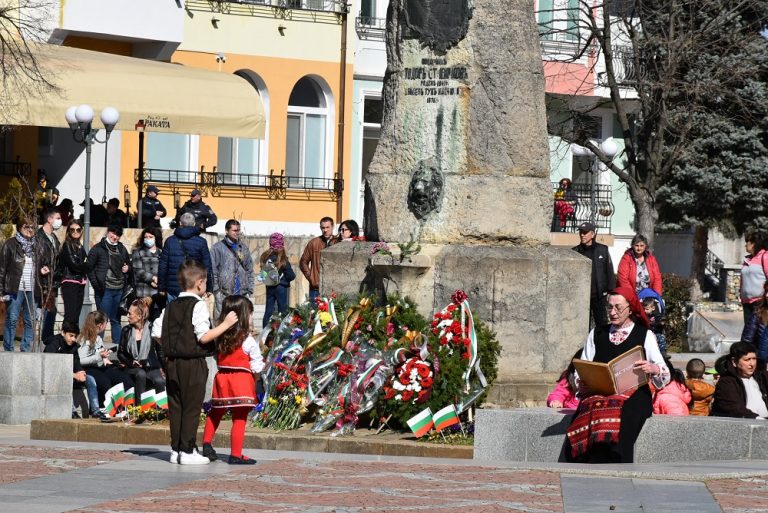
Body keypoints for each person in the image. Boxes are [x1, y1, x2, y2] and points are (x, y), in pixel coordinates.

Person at [564, 287, 670, 463]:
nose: (612, 313)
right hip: (599, 390)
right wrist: (580, 382)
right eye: (609, 308)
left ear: (631, 308)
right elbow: (583, 366)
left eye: (618, 308)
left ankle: (616, 458)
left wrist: (653, 369)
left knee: (624, 410)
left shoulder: (645, 335)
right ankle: (587, 457)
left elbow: (663, 370)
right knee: (592, 405)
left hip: (635, 392)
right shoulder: (597, 334)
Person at [151, 260, 239, 465]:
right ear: (200, 283)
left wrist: (174, 345)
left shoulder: (170, 305)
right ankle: (188, 450)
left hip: (172, 362)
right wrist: (225, 324)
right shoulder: (198, 305)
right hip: (192, 362)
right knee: (191, 406)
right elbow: (203, 336)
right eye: (205, 282)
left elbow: (156, 331)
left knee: (176, 406)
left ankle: (176, 449)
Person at [201, 295, 265, 464]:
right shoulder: (248, 340)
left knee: (215, 412)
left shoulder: (221, 338)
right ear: (244, 315)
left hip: (222, 379)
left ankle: (206, 443)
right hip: (241, 381)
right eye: (250, 313)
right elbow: (257, 366)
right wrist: (256, 379)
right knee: (240, 417)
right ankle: (236, 454)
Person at [78, 311, 131, 419]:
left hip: (99, 366)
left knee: (122, 377)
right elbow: (81, 360)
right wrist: (99, 356)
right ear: (100, 325)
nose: (106, 325)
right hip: (88, 369)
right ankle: (106, 408)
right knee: (104, 381)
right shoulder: (85, 339)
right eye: (106, 323)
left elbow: (100, 355)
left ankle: (127, 406)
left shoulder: (98, 338)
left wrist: (106, 358)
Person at [87, 224, 131, 343]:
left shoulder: (122, 248)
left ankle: (117, 347)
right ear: (108, 232)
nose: (115, 236)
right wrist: (97, 285)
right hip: (104, 290)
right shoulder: (97, 248)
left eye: (118, 235)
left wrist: (128, 268)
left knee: (116, 319)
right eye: (113, 233)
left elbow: (128, 264)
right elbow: (89, 269)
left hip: (119, 289)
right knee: (101, 320)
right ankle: (97, 346)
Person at [0, 218, 38, 351]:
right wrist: (1, 292)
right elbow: (2, 269)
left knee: (30, 321)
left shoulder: (37, 245)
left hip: (32, 289)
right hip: (14, 289)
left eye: (32, 227)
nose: (29, 229)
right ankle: (9, 349)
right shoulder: (10, 244)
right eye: (26, 226)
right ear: (19, 228)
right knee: (12, 319)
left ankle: (26, 349)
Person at [158, 212, 213, 302]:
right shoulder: (201, 242)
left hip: (173, 289)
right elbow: (207, 267)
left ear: (180, 223)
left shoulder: (169, 241)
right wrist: (209, 288)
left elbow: (163, 266)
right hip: (194, 287)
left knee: (173, 315)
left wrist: (161, 287)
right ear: (194, 224)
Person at [117, 299, 165, 402]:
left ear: (139, 316)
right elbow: (120, 353)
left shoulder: (152, 328)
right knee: (141, 374)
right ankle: (140, 408)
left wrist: (165, 368)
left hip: (150, 366)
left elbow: (160, 352)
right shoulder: (126, 331)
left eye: (130, 314)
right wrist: (131, 362)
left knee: (159, 381)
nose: (127, 316)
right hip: (132, 367)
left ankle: (162, 410)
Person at [572, 221, 615, 328]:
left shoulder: (603, 250)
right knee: (581, 326)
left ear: (593, 234)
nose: (582, 235)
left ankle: (601, 345)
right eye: (581, 232)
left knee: (602, 325)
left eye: (585, 232)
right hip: (581, 296)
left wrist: (611, 292)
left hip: (599, 296)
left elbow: (609, 271)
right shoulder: (574, 252)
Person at [43, 321, 89, 419]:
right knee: (65, 381)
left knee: (91, 380)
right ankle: (72, 411)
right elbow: (52, 368)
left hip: (68, 374)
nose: (73, 339)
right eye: (71, 336)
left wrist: (80, 372)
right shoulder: (53, 345)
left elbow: (77, 362)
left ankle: (94, 410)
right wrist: (74, 375)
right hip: (51, 376)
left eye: (75, 336)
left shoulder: (73, 346)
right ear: (63, 333)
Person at [711, 341, 768, 418]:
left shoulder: (761, 376)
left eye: (754, 359)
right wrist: (757, 418)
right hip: (744, 424)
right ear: (734, 361)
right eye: (747, 360)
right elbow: (735, 407)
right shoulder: (726, 382)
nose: (752, 364)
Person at [211, 219, 254, 318]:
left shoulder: (243, 248)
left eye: (238, 230)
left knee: (241, 322)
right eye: (234, 230)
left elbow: (249, 269)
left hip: (241, 294)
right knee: (223, 321)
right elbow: (213, 270)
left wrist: (249, 290)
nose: (237, 233)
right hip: (224, 294)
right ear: (226, 231)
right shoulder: (217, 248)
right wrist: (216, 290)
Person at [36, 206, 62, 341]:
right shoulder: (38, 237)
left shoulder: (54, 238)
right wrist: (41, 270)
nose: (60, 221)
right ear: (49, 219)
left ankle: (47, 340)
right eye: (58, 218)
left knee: (51, 312)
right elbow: (36, 259)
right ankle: (44, 340)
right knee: (45, 312)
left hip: (53, 283)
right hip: (42, 283)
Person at [260, 232, 296, 327]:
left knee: (268, 310)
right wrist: (285, 279)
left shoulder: (265, 257)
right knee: (282, 310)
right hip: (281, 288)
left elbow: (264, 272)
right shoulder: (283, 260)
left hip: (270, 286)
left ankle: (265, 332)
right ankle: (282, 331)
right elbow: (291, 275)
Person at [58, 220, 89, 326]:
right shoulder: (67, 245)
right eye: (72, 230)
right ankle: (65, 339)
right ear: (68, 231)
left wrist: (85, 266)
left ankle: (71, 339)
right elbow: (74, 265)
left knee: (75, 315)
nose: (75, 232)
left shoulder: (79, 246)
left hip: (80, 282)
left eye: (78, 229)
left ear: (81, 231)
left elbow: (86, 263)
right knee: (70, 315)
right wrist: (85, 266)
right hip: (70, 281)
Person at [300, 216, 336, 303]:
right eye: (323, 228)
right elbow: (303, 262)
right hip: (316, 287)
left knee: (332, 314)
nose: (325, 230)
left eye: (328, 227)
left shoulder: (338, 242)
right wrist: (311, 278)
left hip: (334, 287)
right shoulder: (314, 243)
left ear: (332, 227)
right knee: (314, 313)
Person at [132, 227, 164, 321]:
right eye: (146, 237)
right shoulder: (138, 252)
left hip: (159, 293)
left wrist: (160, 281)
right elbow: (138, 271)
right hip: (144, 292)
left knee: (157, 320)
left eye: (150, 237)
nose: (148, 239)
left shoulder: (161, 252)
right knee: (143, 320)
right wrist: (152, 279)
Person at [740, 230, 768, 324]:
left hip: (760, 303)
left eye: (747, 242)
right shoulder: (747, 259)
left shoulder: (765, 256)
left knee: (758, 333)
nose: (745, 245)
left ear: (754, 244)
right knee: (749, 334)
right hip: (746, 302)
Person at [741, 284, 768, 361]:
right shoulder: (758, 315)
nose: (767, 295)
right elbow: (746, 341)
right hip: (762, 363)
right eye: (766, 291)